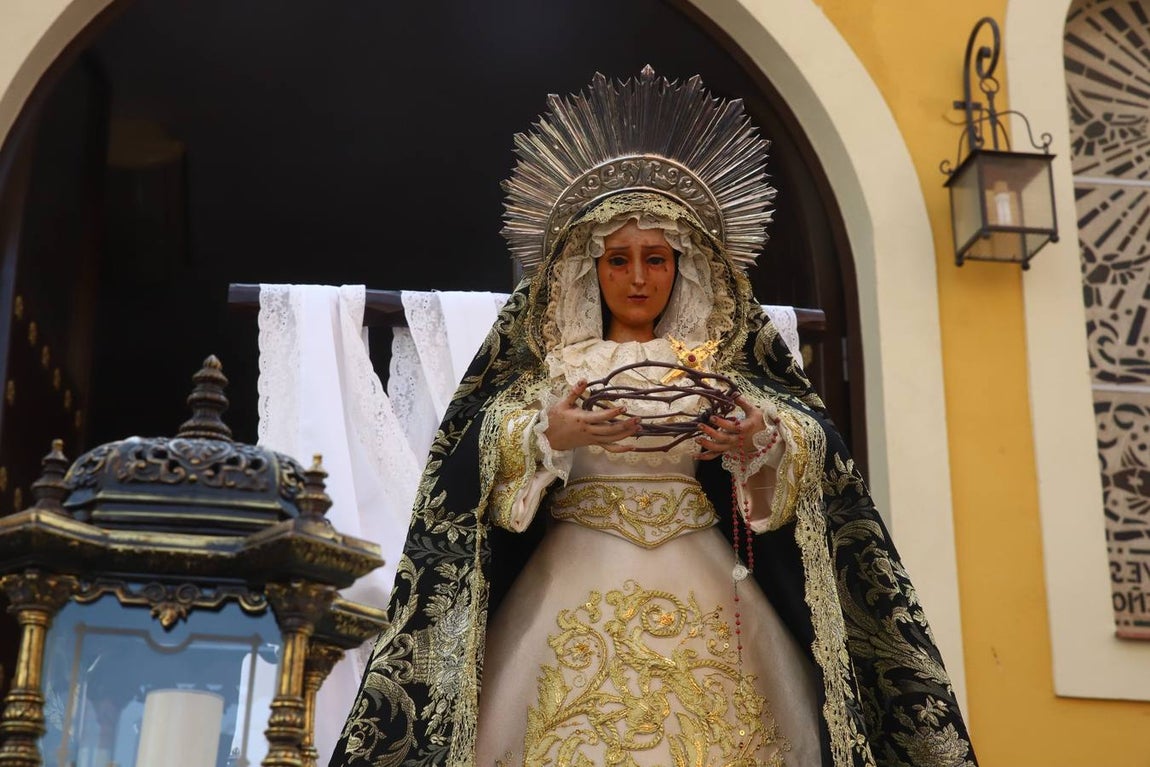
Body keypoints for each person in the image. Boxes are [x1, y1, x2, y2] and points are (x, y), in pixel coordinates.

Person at [329, 68, 977, 767]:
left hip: (704, 567)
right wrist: (551, 435)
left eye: (656, 259)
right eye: (619, 259)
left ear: (683, 265)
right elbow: (476, 449)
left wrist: (756, 440)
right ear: (591, 265)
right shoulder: (556, 364)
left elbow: (808, 446)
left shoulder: (718, 365)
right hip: (572, 565)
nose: (638, 278)